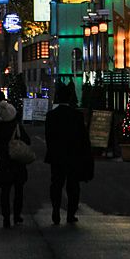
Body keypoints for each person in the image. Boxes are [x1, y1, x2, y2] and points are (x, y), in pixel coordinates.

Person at [45, 82, 92, 225]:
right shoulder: (76, 116)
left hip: (57, 156)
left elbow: (48, 137)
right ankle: (71, 214)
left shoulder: (51, 115)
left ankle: (56, 211)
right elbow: (83, 138)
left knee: (56, 185)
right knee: (73, 186)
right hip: (73, 156)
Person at [0, 99, 31, 227]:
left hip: (4, 162)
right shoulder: (17, 126)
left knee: (5, 191)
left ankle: (6, 217)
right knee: (18, 190)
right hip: (17, 161)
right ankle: (17, 215)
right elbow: (27, 141)